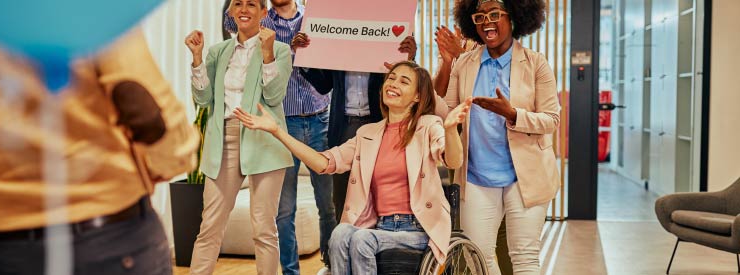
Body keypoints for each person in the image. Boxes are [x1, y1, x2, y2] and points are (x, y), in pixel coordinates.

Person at [0, 24, 197, 274]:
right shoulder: (88, 9)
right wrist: (171, 160)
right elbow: (150, 114)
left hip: (1, 247)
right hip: (107, 237)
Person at [235, 61, 473, 274]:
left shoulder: (428, 126)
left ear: (418, 97)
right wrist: (277, 131)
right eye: (391, 77)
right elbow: (323, 163)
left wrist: (451, 130)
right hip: (379, 227)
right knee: (340, 233)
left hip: (417, 229)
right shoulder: (367, 134)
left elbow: (453, 160)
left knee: (360, 240)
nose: (393, 83)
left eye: (404, 81)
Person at [434, 0, 560, 274]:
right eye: (479, 17)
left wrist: (513, 114)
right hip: (477, 177)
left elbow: (552, 120)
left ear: (514, 17)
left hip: (525, 177)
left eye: (494, 14)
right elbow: (446, 110)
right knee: (478, 257)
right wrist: (442, 65)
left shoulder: (536, 64)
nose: (486, 22)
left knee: (525, 258)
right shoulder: (464, 63)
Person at [184, 0, 295, 274]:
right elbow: (203, 98)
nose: (244, 9)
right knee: (209, 226)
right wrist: (197, 58)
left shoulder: (280, 50)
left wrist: (267, 53)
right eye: (238, 4)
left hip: (264, 142)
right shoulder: (218, 51)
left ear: (263, 12)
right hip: (223, 142)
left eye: (252, 4)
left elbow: (274, 95)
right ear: (231, 11)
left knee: (264, 229)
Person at [226, 1, 337, 273]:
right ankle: (290, 271)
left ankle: (333, 266)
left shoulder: (314, 16)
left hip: (320, 116)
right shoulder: (260, 18)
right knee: (284, 210)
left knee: (329, 204)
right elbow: (231, 20)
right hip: (282, 125)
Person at [291, 32, 419, 223]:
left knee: (380, 190)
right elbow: (323, 85)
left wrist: (408, 59)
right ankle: (341, 248)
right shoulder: (340, 32)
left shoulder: (387, 27)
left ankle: (377, 246)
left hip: (380, 123)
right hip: (344, 125)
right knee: (343, 196)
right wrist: (304, 56)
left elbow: (404, 81)